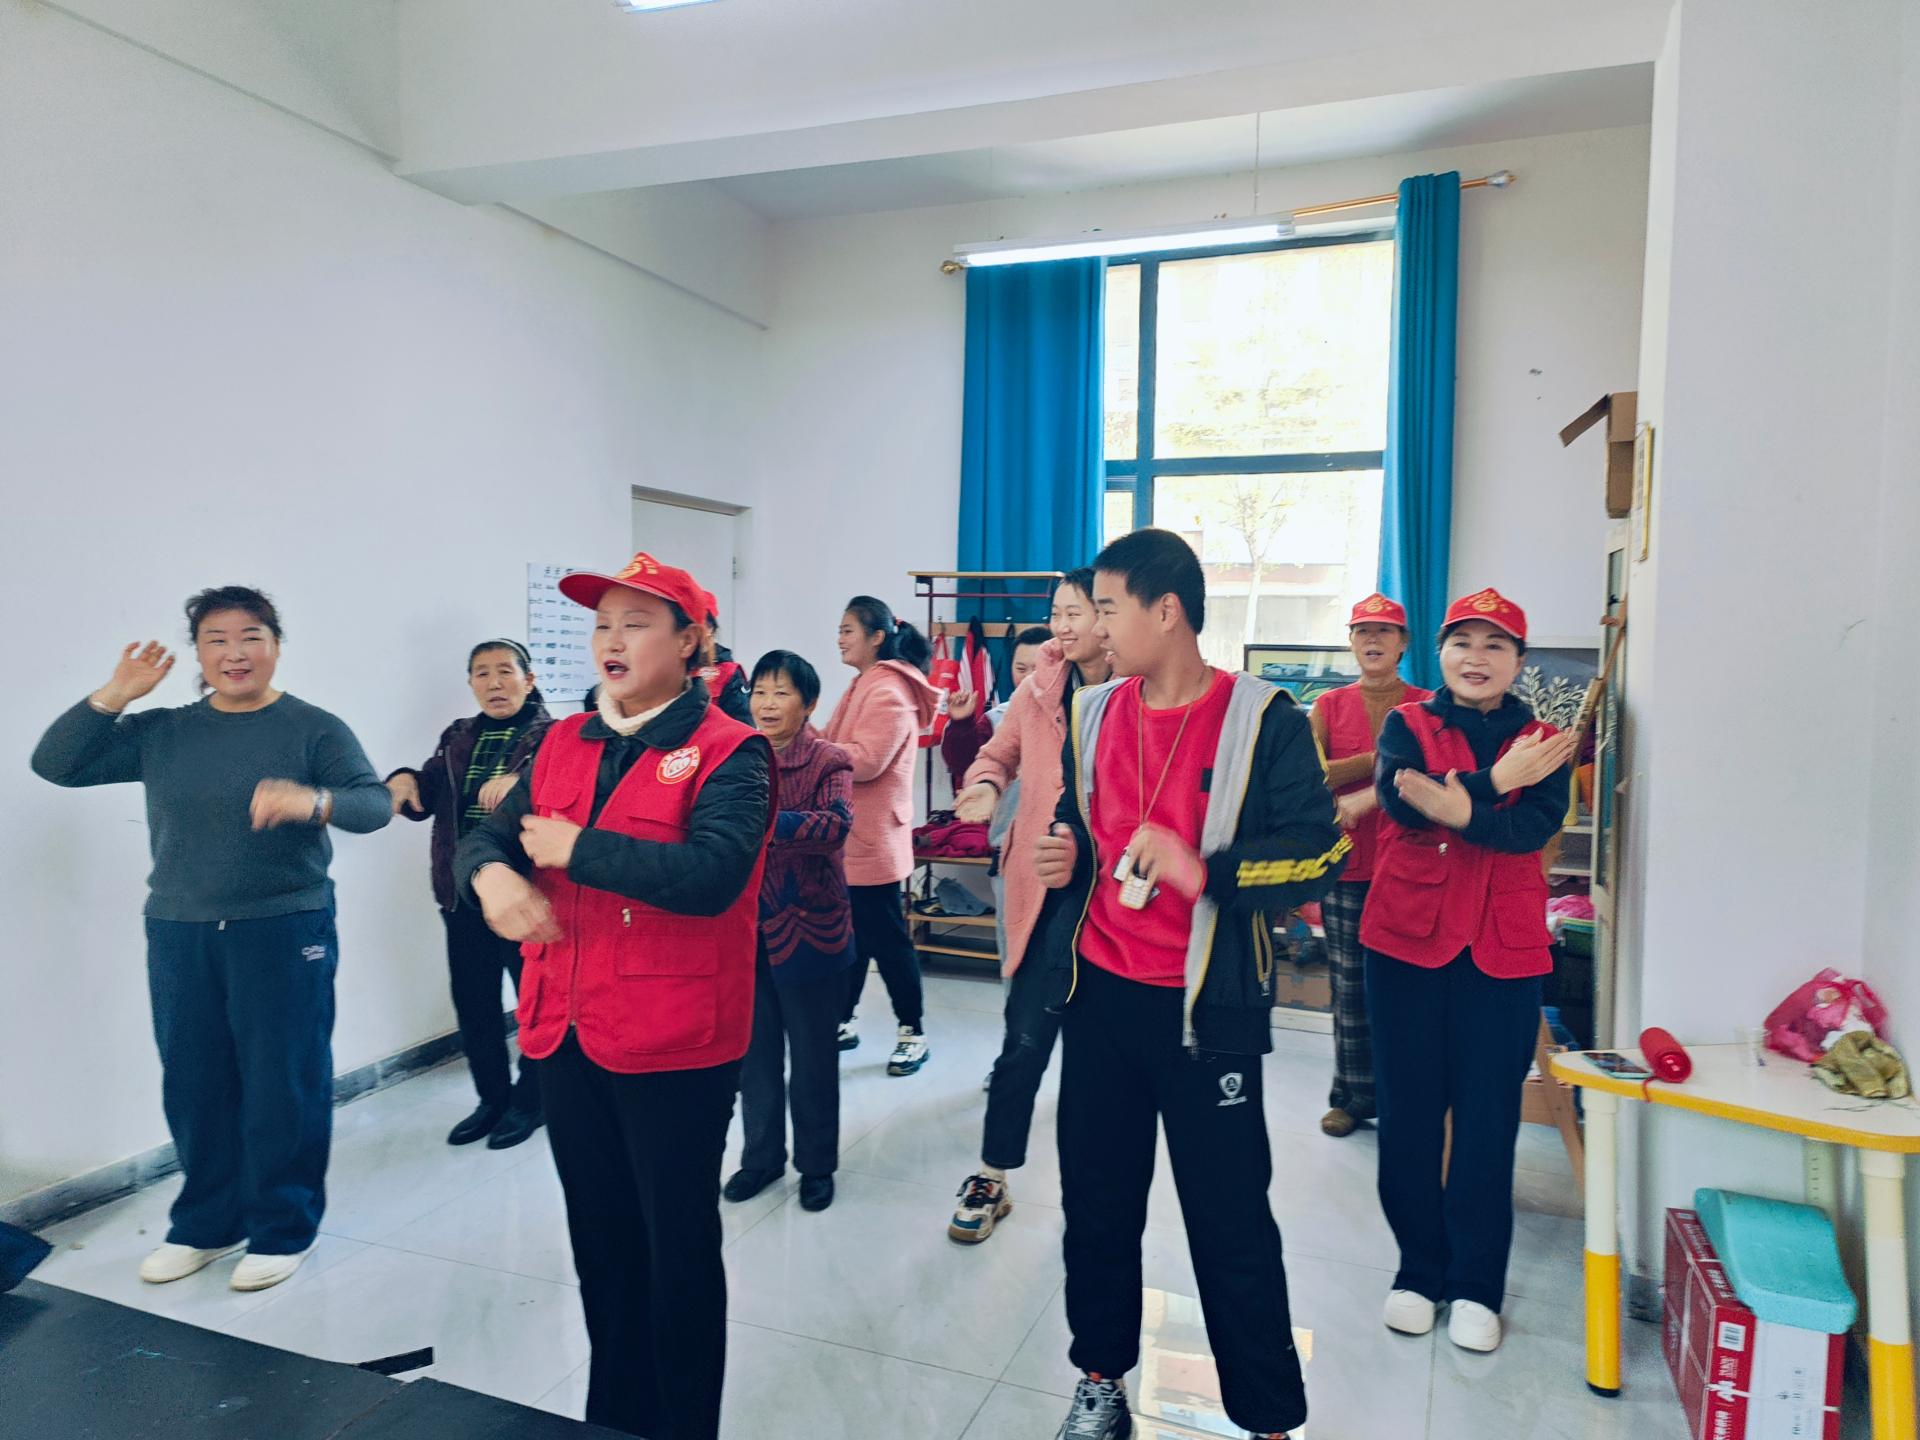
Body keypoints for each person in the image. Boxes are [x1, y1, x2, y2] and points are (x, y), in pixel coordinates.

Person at [1033, 531, 1349, 1440]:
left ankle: (1269, 1417)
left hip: (1208, 1011)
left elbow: (1321, 852)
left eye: (1106, 607)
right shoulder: (1094, 710)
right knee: (1097, 1207)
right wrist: (1066, 851)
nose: (1092, 626)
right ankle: (1101, 1379)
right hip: (1101, 998)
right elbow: (1078, 818)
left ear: (1165, 610)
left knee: (1229, 1222)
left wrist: (1203, 868)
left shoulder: (1264, 718)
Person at [454, 551, 771, 1440]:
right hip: (564, 1031)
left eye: (636, 624)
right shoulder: (563, 741)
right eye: (601, 625)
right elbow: (488, 833)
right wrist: (491, 878)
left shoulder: (731, 751)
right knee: (601, 1243)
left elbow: (714, 876)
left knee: (677, 1251)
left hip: (675, 1042)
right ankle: (616, 1419)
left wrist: (576, 850)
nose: (611, 641)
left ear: (691, 641)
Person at [31, 587, 390, 1293]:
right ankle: (207, 1223)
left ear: (276, 645)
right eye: (216, 639)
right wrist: (115, 694)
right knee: (195, 1082)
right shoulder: (165, 730)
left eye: (251, 636)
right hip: (179, 927)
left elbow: (373, 804)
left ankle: (283, 1228)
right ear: (197, 653)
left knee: (283, 1081)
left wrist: (313, 801)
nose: (235, 652)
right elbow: (57, 764)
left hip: (284, 926)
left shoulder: (313, 728)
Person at [1360, 588, 1576, 1355]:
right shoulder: (1406, 723)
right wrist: (1488, 786)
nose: (1476, 658)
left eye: (1495, 645)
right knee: (1408, 1115)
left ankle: (1478, 1284)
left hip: (1502, 952)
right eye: (1463, 642)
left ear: (1518, 661)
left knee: (1488, 1121)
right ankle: (1418, 1272)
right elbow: (1400, 805)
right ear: (1440, 652)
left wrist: (1458, 809)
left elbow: (1531, 830)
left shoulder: (1545, 740)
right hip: (1405, 944)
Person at [944, 574, 1112, 1244]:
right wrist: (986, 785)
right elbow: (997, 754)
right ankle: (992, 1175)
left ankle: (1095, 1194)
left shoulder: (1140, 691)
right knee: (1023, 1041)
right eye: (1057, 612)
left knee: (1101, 1058)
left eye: (1077, 612)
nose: (1063, 625)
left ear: (1109, 617)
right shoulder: (1039, 688)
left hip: (1114, 894)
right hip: (1043, 885)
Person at [386, 638, 554, 1150]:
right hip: (461, 894)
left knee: (535, 1004)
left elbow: (569, 800)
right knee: (474, 1003)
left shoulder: (556, 736)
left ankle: (532, 1101)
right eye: (482, 673)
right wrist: (403, 779)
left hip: (526, 892)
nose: (494, 683)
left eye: (505, 671)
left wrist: (522, 784)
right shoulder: (458, 736)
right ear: (471, 683)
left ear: (528, 679)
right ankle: (491, 1100)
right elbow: (427, 793)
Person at [724, 650, 856, 1215]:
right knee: (753, 1057)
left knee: (812, 1059)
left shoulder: (830, 760)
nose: (767, 703)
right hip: (745, 932)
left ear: (809, 703)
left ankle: (817, 1165)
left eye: (781, 693)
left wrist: (763, 826)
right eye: (759, 691)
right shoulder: (738, 754)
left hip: (810, 930)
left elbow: (836, 826)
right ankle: (761, 1158)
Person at [1307, 595, 1432, 1140]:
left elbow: (1436, 773)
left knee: (1412, 990)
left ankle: (1412, 1101)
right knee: (1351, 987)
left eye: (1385, 631)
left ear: (1404, 643)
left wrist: (1363, 773)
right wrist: (1384, 760)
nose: (1373, 640)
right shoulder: (1328, 705)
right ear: (1351, 641)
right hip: (1349, 867)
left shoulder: (1429, 704)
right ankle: (1351, 1097)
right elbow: (1313, 777)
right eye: (1362, 631)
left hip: (1419, 867)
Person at [824, 595, 938, 1074]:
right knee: (854, 935)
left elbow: (867, 760)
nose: (840, 639)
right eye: (840, 629)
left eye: (848, 630)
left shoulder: (888, 689)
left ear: (876, 637)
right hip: (856, 837)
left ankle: (913, 1033)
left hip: (872, 842)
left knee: (888, 943)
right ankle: (842, 1020)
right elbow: (837, 741)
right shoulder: (866, 683)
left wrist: (814, 750)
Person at [938, 624, 1051, 786]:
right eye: (1021, 669)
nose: (1028, 677)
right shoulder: (996, 718)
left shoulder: (1071, 712)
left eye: (1037, 669)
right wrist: (961, 723)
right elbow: (965, 765)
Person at [697, 591, 753, 725]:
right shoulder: (673, 668)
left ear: (710, 628)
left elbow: (743, 725)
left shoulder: (729, 672)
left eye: (698, 623)